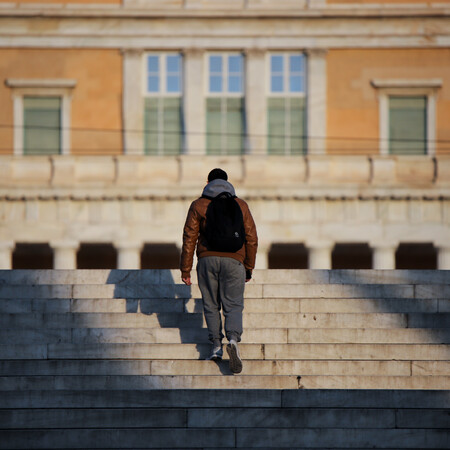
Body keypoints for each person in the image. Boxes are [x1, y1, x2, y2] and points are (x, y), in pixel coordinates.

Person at [180, 168, 258, 374]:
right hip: (234, 261)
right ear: (227, 183)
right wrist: (248, 267)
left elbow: (189, 237)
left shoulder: (199, 204)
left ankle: (216, 346)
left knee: (211, 304)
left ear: (208, 182)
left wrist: (185, 269)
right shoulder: (240, 205)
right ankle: (232, 340)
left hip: (208, 260)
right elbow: (251, 238)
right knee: (233, 305)